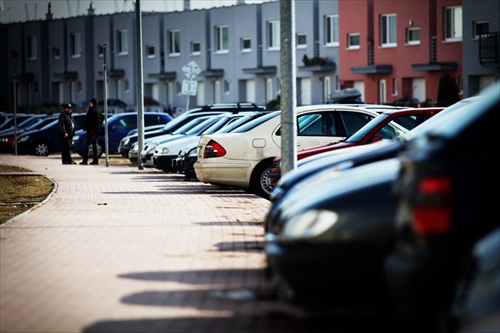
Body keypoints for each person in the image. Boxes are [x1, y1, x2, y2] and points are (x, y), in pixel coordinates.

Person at [80, 98, 103, 165]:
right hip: (97, 131)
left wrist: (86, 127)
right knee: (95, 145)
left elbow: (88, 120)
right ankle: (95, 160)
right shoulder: (99, 110)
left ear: (92, 103)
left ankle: (85, 160)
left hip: (91, 131)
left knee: (87, 145)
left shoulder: (91, 110)